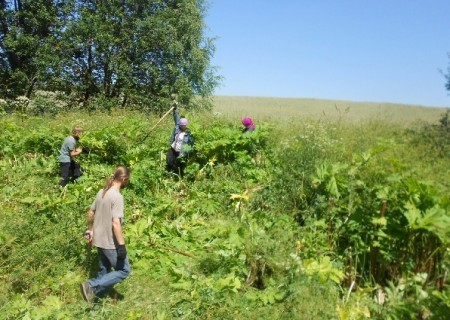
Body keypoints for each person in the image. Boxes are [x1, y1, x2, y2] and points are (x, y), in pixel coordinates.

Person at [80, 166, 131, 304]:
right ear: (124, 179)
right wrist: (121, 246)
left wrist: (90, 230)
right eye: (128, 180)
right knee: (124, 270)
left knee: (105, 271)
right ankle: (91, 285)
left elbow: (90, 213)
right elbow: (116, 223)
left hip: (98, 239)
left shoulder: (101, 192)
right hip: (110, 242)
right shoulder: (117, 197)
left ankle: (95, 300)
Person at [166, 103, 194, 177]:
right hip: (173, 149)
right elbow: (176, 118)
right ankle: (169, 175)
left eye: (184, 125)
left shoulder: (189, 134)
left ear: (186, 125)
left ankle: (180, 178)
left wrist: (187, 152)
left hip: (180, 152)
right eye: (181, 125)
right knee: (169, 161)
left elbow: (190, 144)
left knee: (179, 166)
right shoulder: (177, 128)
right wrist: (175, 109)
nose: (182, 126)